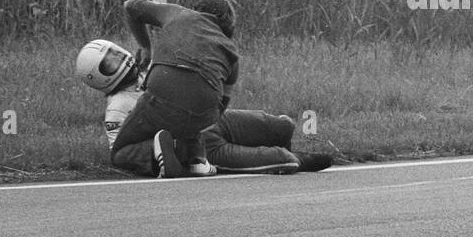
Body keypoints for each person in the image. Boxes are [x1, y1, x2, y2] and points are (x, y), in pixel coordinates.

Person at [75, 38, 333, 176]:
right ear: (98, 78)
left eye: (117, 53)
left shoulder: (150, 69)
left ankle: (287, 149)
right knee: (281, 159)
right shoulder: (117, 107)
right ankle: (296, 160)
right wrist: (166, 153)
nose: (120, 60)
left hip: (214, 118)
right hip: (197, 141)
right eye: (109, 63)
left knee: (280, 125)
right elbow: (120, 152)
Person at [112, 0, 240, 176]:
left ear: (195, 9)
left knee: (120, 152)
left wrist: (146, 47)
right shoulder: (231, 51)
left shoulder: (178, 13)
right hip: (204, 111)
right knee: (190, 123)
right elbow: (222, 106)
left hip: (163, 96)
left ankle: (156, 151)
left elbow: (129, 7)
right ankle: (193, 157)